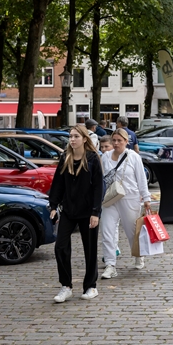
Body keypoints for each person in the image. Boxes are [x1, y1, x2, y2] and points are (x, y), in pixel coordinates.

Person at [48, 125, 104, 302]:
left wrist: (95, 212)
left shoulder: (92, 158)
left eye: (76, 136)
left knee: (90, 249)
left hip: (88, 211)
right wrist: (53, 205)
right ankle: (66, 286)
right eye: (70, 136)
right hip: (68, 210)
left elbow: (98, 187)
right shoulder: (65, 157)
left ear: (84, 139)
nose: (72, 139)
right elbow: (58, 183)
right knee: (60, 247)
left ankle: (90, 286)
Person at [100, 128, 153, 278]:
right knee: (107, 231)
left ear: (126, 141)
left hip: (129, 197)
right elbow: (101, 178)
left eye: (119, 140)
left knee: (131, 231)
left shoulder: (133, 157)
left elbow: (141, 178)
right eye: (114, 140)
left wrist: (146, 198)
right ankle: (110, 265)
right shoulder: (105, 157)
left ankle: (138, 254)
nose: (116, 143)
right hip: (110, 198)